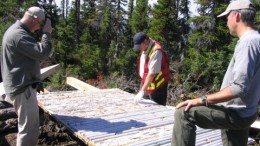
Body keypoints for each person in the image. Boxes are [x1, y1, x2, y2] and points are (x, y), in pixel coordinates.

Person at [171, 0, 260, 146]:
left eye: (227, 17)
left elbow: (239, 87)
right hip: (246, 110)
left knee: (184, 114)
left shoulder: (248, 43)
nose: (226, 22)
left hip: (236, 112)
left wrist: (201, 100)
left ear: (236, 16)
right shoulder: (256, 39)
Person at [1, 6, 53, 146]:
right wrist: (46, 33)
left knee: (26, 126)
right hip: (22, 88)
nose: (40, 27)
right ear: (34, 20)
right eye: (41, 23)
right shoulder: (18, 35)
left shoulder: (16, 32)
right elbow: (42, 52)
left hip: (20, 85)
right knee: (29, 130)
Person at [133, 32, 170, 106]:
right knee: (145, 107)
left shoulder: (156, 51)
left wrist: (141, 91)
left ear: (145, 41)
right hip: (147, 83)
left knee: (158, 109)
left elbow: (152, 74)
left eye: (140, 46)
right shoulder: (145, 47)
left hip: (158, 87)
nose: (139, 48)